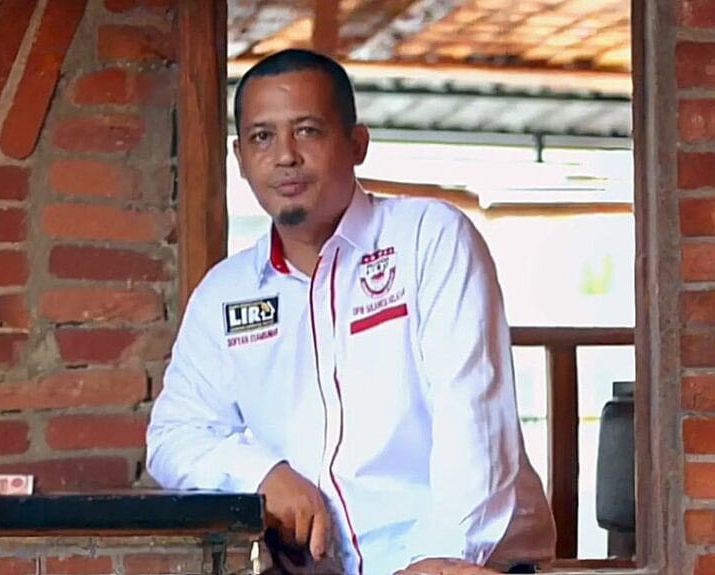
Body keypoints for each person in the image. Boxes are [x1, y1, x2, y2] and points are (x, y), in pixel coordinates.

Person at [145, 48, 556, 575]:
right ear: (240, 157)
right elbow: (173, 437)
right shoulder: (224, 294)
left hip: (465, 562)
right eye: (262, 137)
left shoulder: (427, 238)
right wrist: (262, 473)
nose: (285, 156)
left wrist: (441, 553)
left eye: (307, 131)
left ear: (357, 143)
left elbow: (472, 417)